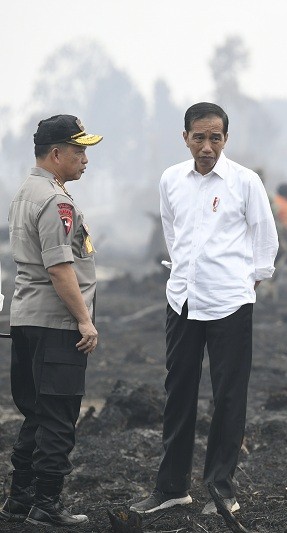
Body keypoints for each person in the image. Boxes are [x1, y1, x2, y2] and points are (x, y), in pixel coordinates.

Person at [130, 102, 279, 516]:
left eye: (215, 137)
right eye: (199, 137)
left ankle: (221, 489)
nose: (207, 145)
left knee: (229, 397)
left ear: (225, 139)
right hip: (182, 299)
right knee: (178, 392)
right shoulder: (171, 180)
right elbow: (172, 231)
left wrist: (244, 282)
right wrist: (185, 275)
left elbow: (266, 242)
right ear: (186, 138)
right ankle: (172, 487)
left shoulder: (245, 182)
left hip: (230, 303)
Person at [2, 114, 102, 527]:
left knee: (38, 414)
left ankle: (19, 498)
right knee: (60, 417)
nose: (85, 159)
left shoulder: (26, 190)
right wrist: (85, 321)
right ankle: (47, 503)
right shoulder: (56, 201)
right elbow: (60, 267)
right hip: (56, 325)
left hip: (26, 319)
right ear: (57, 153)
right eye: (79, 150)